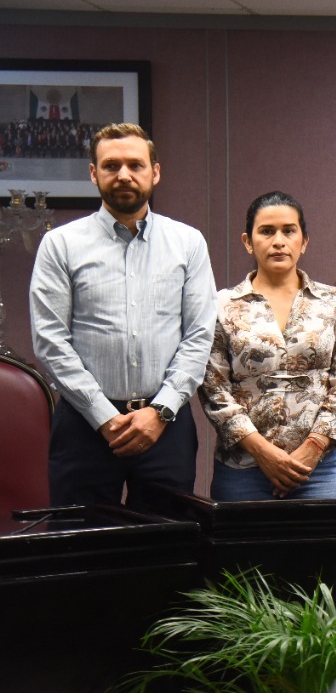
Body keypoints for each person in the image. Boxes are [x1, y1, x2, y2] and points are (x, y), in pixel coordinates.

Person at [29, 123, 216, 509]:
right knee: (83, 540)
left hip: (166, 425)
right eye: (111, 166)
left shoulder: (188, 242)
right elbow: (50, 341)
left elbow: (199, 335)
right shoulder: (60, 244)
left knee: (168, 539)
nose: (124, 175)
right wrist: (102, 416)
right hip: (84, 426)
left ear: (155, 172)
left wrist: (159, 412)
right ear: (94, 173)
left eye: (135, 164)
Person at [199, 192, 336, 501]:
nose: (278, 241)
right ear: (248, 242)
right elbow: (213, 389)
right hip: (243, 469)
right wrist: (264, 453)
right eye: (266, 231)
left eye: (288, 231)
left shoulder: (335, 303)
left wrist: (311, 450)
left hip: (321, 470)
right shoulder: (222, 305)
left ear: (304, 241)